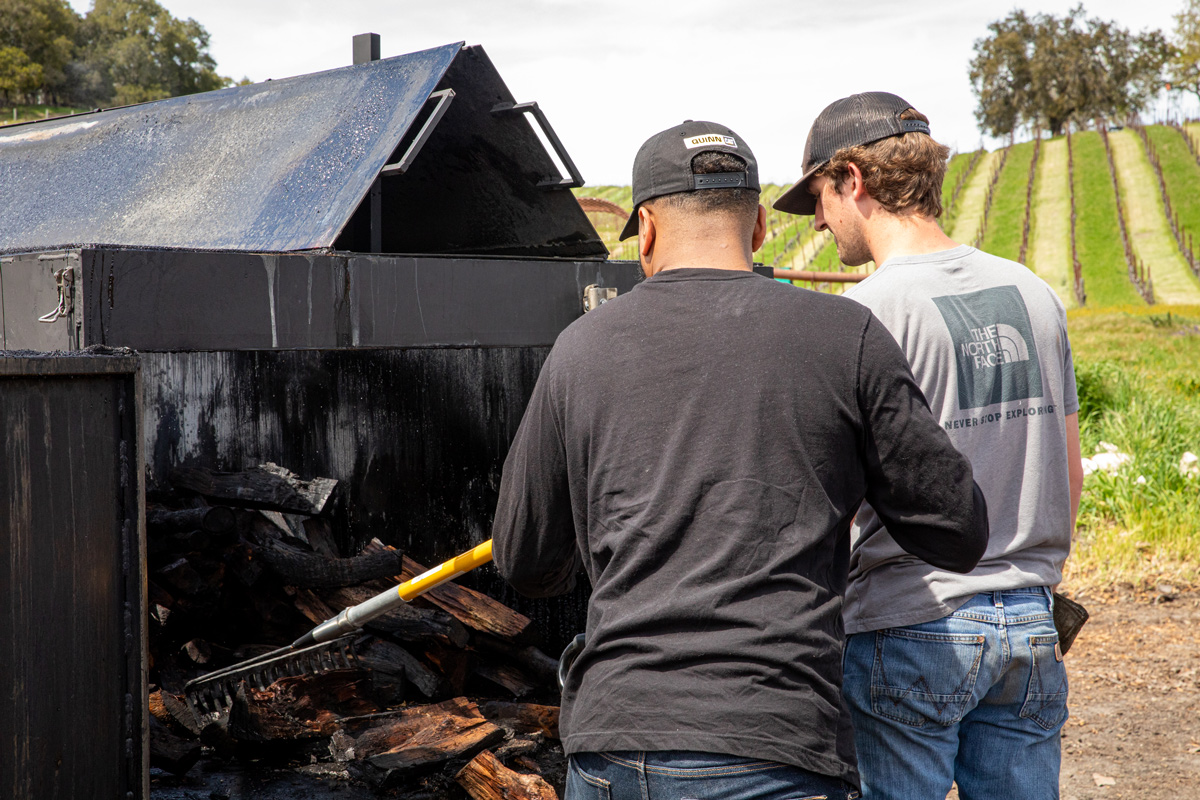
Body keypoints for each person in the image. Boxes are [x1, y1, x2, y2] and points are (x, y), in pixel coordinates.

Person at [491, 119, 989, 800]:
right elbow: (957, 531)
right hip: (776, 743)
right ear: (758, 226)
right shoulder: (847, 338)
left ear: (647, 230)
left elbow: (524, 562)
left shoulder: (579, 349)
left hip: (614, 741)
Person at [775, 92, 1084, 800]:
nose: (819, 220)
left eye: (820, 195)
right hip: (1031, 623)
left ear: (852, 180)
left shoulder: (862, 317)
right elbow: (1068, 476)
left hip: (910, 625)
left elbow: (838, 505)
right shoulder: (1034, 292)